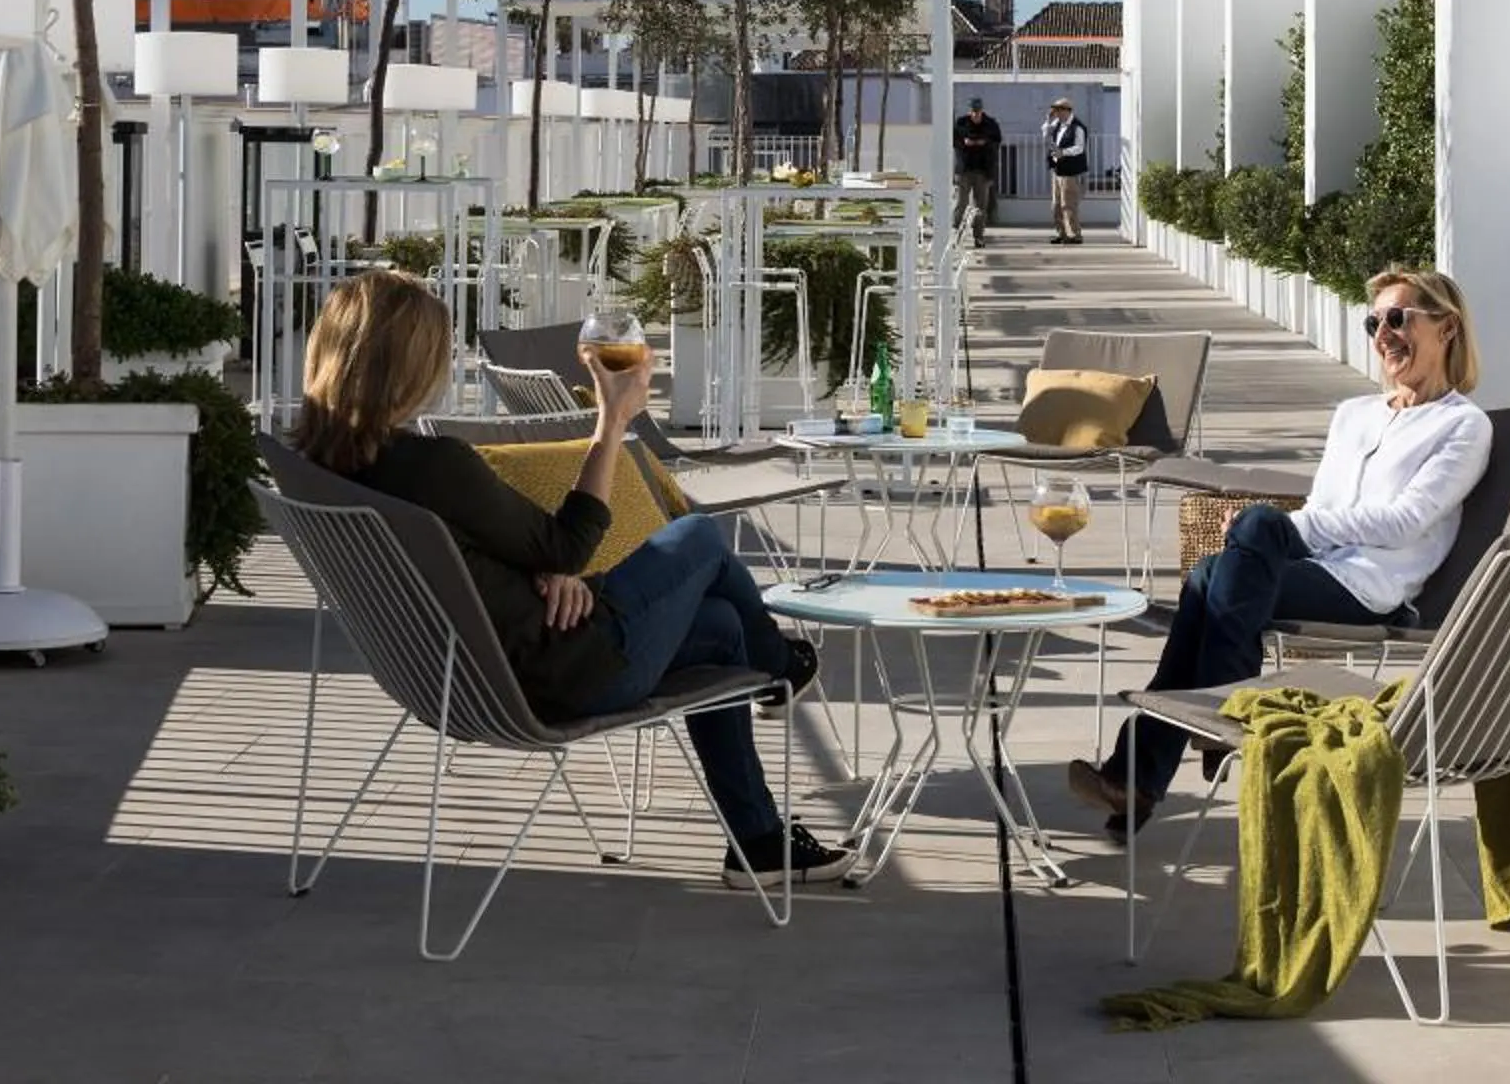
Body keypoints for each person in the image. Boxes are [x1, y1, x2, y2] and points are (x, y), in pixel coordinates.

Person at [289, 270, 851, 888]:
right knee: (698, 537)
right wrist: (613, 419)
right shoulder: (433, 465)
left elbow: (477, 557)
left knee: (720, 629)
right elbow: (571, 543)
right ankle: (785, 667)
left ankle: (759, 841)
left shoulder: (315, 465)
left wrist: (540, 572)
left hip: (463, 678)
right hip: (559, 673)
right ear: (410, 366)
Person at [1067, 268, 1492, 832]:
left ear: (1447, 328)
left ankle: (1174, 745)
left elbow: (1406, 520)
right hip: (1315, 568)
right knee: (1214, 572)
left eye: (1398, 318)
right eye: (1374, 322)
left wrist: (1281, 531)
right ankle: (1164, 757)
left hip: (1371, 587)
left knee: (1244, 546)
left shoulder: (1462, 426)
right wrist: (1275, 535)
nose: (1383, 333)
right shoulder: (1354, 415)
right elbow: (1325, 503)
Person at [952, 95, 1003, 245]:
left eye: (978, 111)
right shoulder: (961, 123)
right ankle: (956, 235)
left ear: (982, 110)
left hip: (983, 170)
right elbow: (954, 141)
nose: (976, 115)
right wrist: (964, 142)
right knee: (961, 204)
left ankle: (978, 236)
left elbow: (997, 142)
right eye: (973, 111)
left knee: (981, 206)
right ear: (969, 111)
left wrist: (984, 142)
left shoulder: (990, 124)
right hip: (964, 169)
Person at [1041, 95, 1090, 244]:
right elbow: (1045, 135)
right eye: (1054, 111)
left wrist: (1063, 152)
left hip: (1070, 171)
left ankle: (1074, 234)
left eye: (1058, 111)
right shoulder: (1057, 124)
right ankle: (1062, 233)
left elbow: (1079, 148)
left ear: (1066, 111)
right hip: (1058, 170)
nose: (1055, 113)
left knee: (1068, 204)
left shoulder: (1077, 127)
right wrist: (1048, 120)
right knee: (1056, 205)